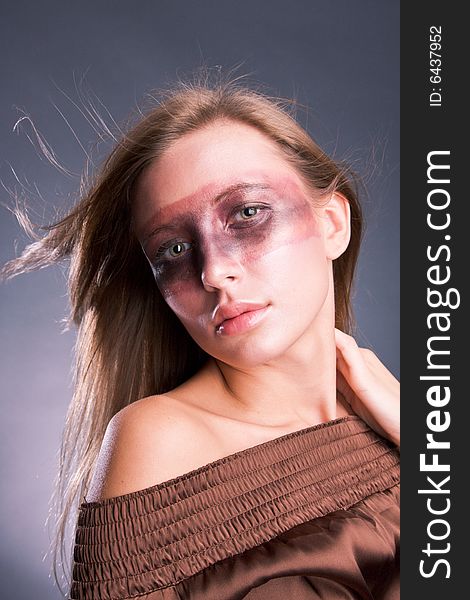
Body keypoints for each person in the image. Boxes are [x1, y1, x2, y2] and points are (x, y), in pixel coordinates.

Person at [1, 77, 399, 599]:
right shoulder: (158, 442)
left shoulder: (393, 420)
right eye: (173, 250)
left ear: (331, 224)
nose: (213, 271)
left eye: (247, 214)